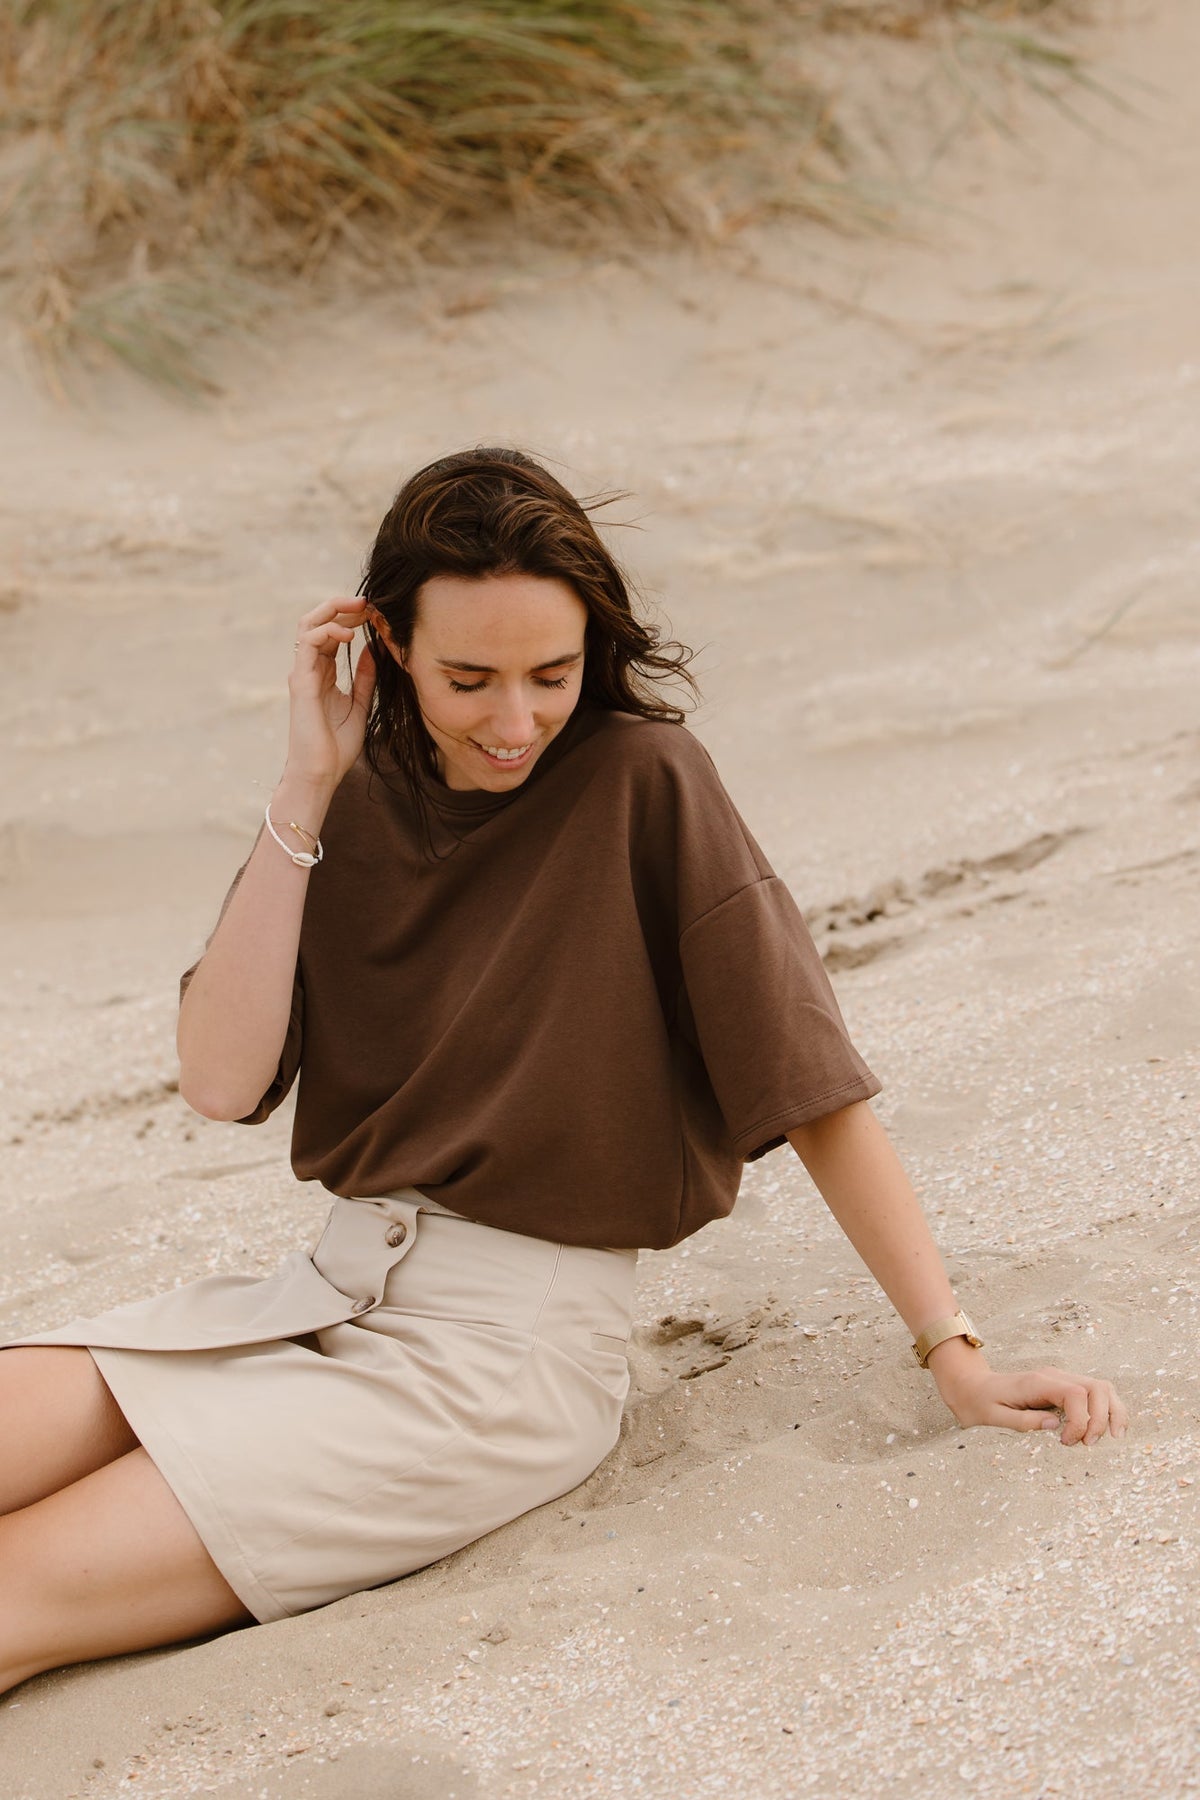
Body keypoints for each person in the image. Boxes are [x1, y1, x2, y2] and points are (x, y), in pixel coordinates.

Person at [0, 447, 1126, 1694]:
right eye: (468, 679)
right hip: (312, 1302)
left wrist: (953, 1352)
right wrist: (305, 786)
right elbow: (220, 1081)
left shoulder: (649, 782)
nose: (514, 722)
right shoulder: (353, 804)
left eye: (552, 674)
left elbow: (815, 1096)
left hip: (495, 1371)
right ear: (389, 648)